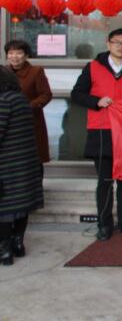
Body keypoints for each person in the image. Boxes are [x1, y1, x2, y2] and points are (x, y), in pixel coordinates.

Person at [71, 28, 122, 241]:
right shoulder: (93, 67)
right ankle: (104, 225)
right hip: (101, 130)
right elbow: (77, 94)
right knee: (104, 181)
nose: (120, 46)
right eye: (116, 42)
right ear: (108, 43)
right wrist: (96, 101)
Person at [0, 67, 44, 266]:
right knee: (20, 206)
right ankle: (18, 243)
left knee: (4, 208)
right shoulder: (20, 99)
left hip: (7, 165)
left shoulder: (3, 102)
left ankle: (4, 250)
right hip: (25, 163)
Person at [5, 40, 53, 167]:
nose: (14, 56)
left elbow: (46, 94)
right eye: (11, 53)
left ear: (26, 55)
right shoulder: (3, 72)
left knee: (32, 159)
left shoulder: (36, 71)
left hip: (30, 120)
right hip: (7, 121)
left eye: (19, 53)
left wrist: (27, 107)